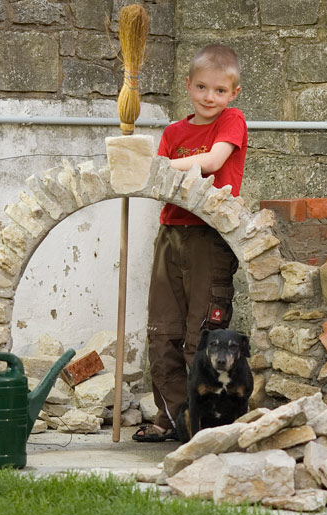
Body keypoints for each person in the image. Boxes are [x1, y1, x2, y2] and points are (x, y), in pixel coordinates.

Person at [133, 44, 248, 442]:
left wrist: (152, 164)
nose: (209, 97)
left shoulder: (231, 121)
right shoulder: (173, 133)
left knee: (203, 333)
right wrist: (145, 170)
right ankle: (172, 419)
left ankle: (203, 423)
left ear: (233, 93)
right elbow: (155, 187)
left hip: (208, 239)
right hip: (171, 235)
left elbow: (214, 163)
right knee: (162, 331)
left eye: (219, 90)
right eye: (201, 87)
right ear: (188, 85)